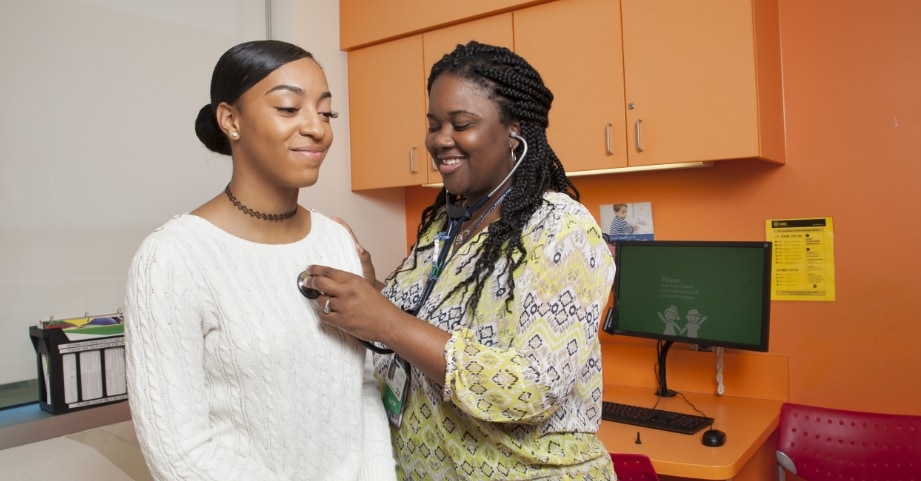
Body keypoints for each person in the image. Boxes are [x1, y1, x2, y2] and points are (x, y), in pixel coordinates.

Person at [304, 41, 617, 480]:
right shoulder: (445, 225)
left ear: (515, 131)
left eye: (461, 123)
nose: (439, 140)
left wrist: (385, 321)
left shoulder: (561, 229)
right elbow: (416, 331)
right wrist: (370, 289)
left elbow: (531, 386)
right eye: (433, 125)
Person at [123, 40, 396, 481]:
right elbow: (180, 455)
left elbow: (361, 388)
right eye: (289, 108)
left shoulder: (336, 240)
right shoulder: (171, 259)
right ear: (231, 120)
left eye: (326, 113)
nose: (317, 128)